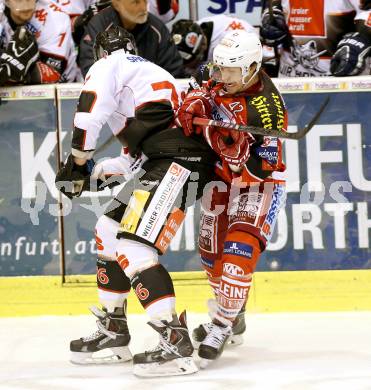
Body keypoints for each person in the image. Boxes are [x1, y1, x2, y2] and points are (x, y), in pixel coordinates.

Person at [55, 25, 217, 377]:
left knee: (135, 246)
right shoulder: (147, 75)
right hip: (169, 160)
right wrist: (95, 172)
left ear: (100, 53)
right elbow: (135, 157)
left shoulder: (109, 66)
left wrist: (77, 163)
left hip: (176, 163)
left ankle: (174, 341)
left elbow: (87, 113)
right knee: (109, 229)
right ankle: (114, 330)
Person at [176, 30, 288, 367]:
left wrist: (238, 153)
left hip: (257, 183)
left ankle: (222, 324)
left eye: (230, 71)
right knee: (211, 253)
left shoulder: (267, 111)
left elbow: (263, 168)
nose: (221, 77)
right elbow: (199, 89)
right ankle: (233, 314)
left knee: (239, 251)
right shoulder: (219, 74)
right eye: (219, 69)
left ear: (252, 68)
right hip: (222, 178)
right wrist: (192, 102)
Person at [260, 0, 371, 77]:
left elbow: (368, 11)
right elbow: (275, 6)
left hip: (340, 80)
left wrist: (362, 39)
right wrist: (271, 17)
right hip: (289, 80)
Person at [78, 0, 183, 77]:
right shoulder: (98, 26)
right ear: (116, 4)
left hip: (151, 100)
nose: (143, 8)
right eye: (136, 2)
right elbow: (91, 71)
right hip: (110, 99)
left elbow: (173, 72)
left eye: (145, 1)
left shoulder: (158, 29)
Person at [0, 0, 78, 85]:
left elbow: (52, 75)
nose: (26, 6)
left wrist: (15, 66)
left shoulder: (56, 19)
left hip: (63, 90)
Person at [171, 15, 256, 76]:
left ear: (203, 45)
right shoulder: (194, 31)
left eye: (189, 62)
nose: (185, 66)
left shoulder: (231, 40)